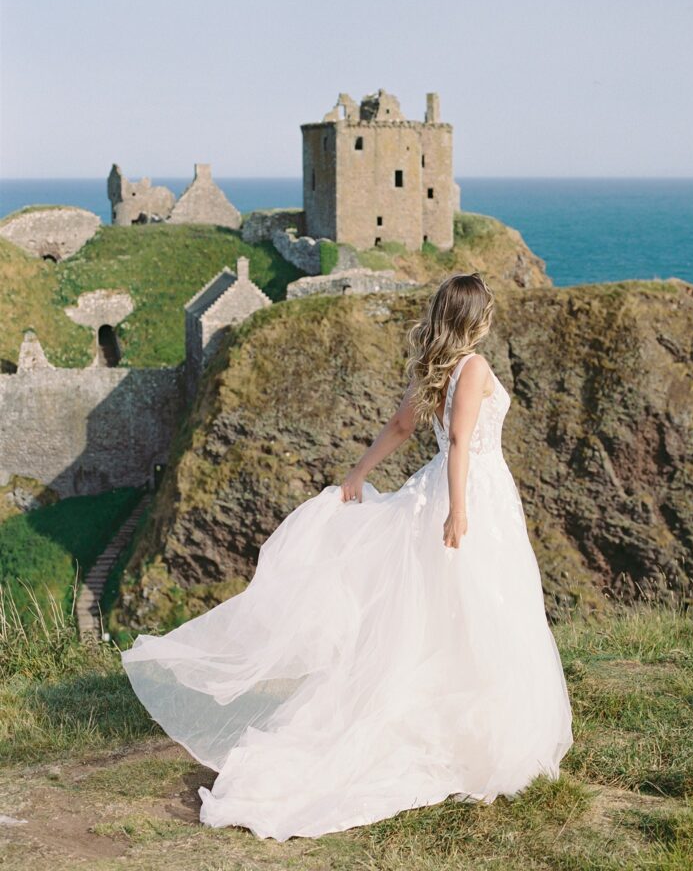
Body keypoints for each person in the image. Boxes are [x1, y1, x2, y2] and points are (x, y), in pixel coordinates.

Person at [121, 271, 573, 842]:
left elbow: (401, 427)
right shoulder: (474, 367)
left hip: (447, 487)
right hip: (469, 491)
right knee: (479, 607)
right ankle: (478, 731)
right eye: (486, 311)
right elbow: (458, 443)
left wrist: (358, 475)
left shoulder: (438, 367)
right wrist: (458, 512)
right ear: (475, 318)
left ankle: (463, 716)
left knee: (446, 610)